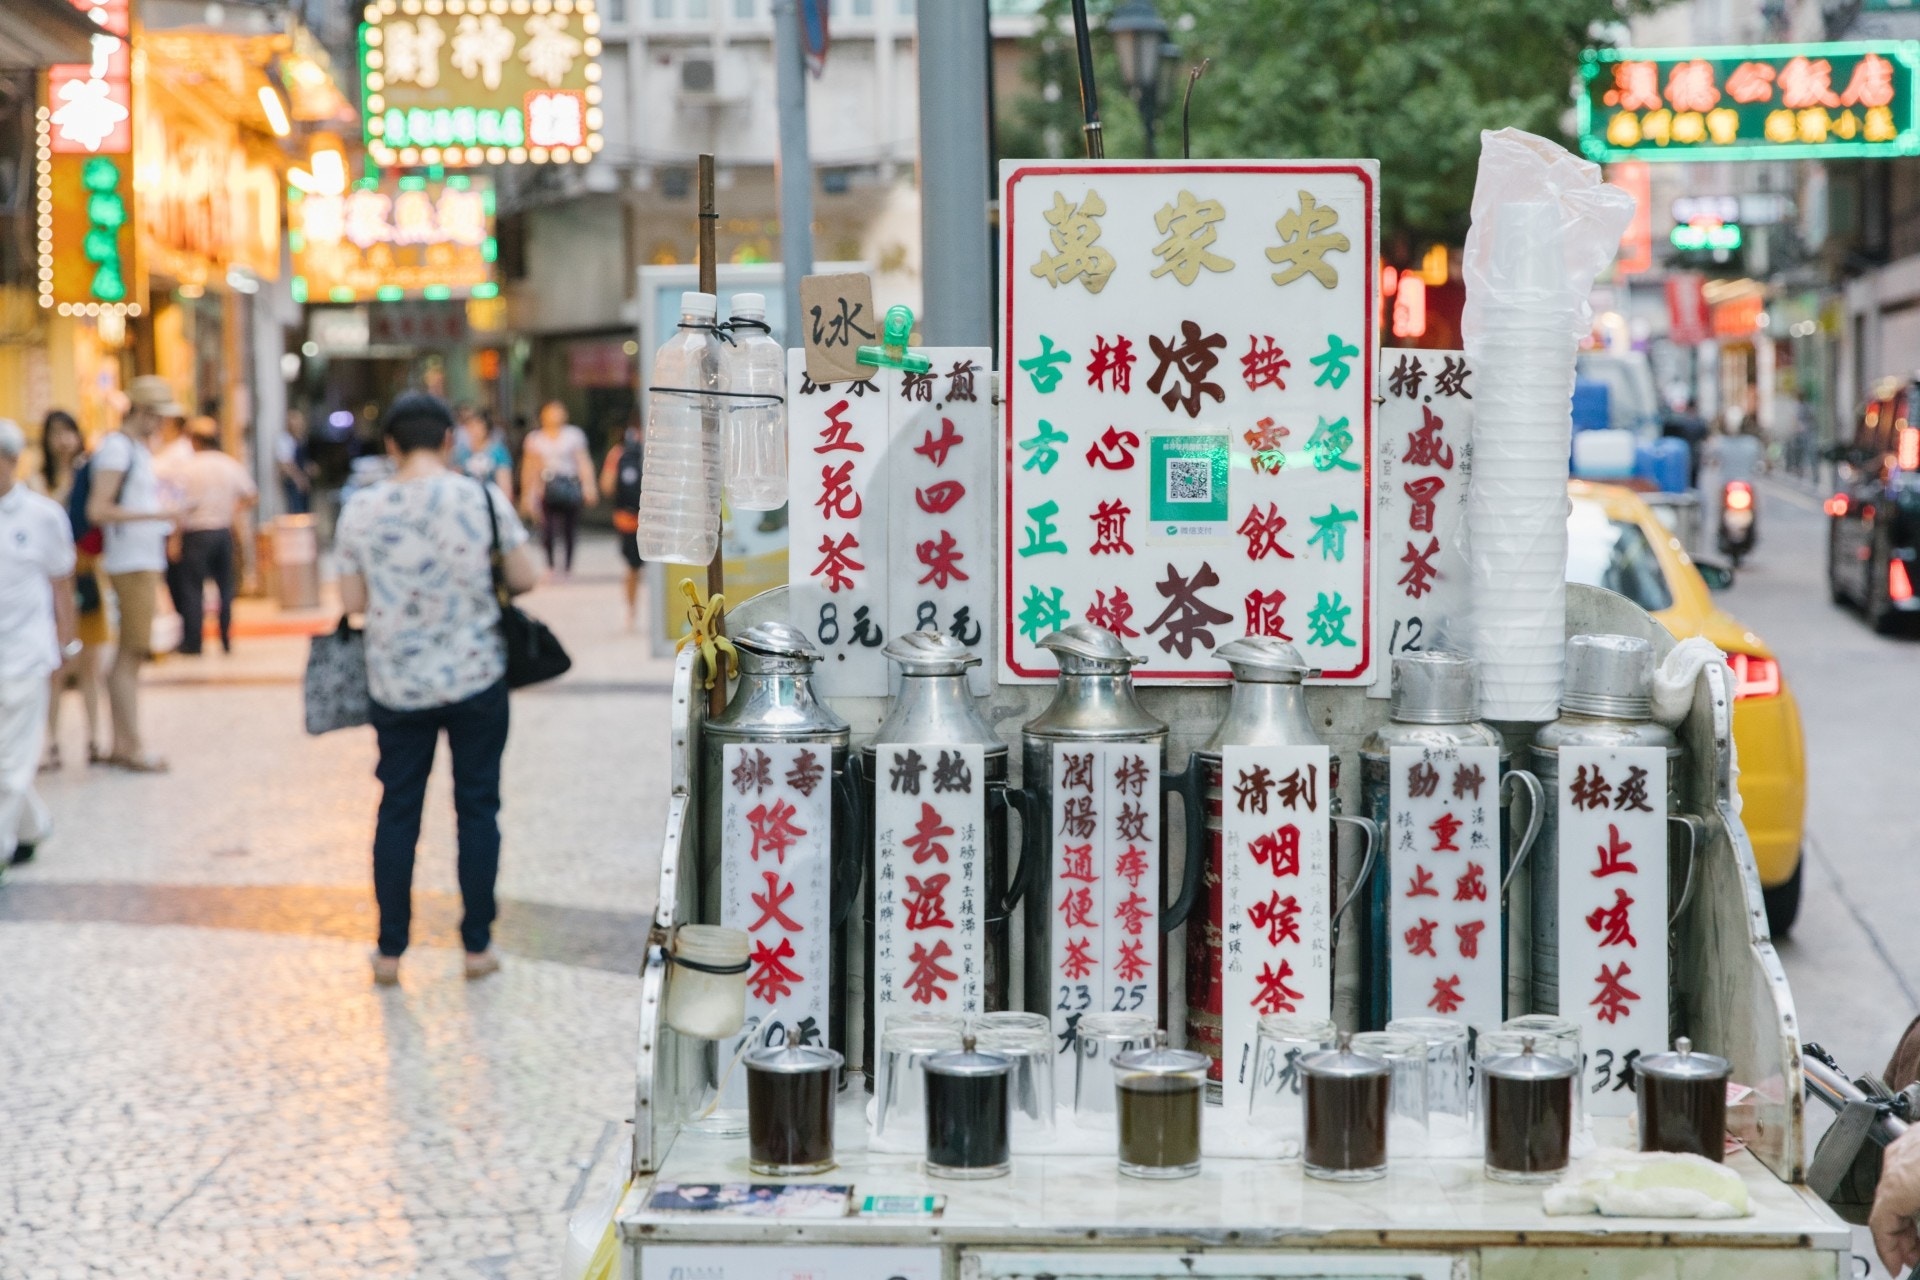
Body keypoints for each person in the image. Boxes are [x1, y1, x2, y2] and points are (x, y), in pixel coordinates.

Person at [335, 392, 538, 986]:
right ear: (450, 439)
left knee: (398, 811)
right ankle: (476, 947)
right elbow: (527, 575)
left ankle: (391, 951)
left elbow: (352, 604)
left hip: (397, 683)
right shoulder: (480, 496)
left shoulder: (361, 509)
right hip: (477, 676)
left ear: (391, 445)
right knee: (477, 807)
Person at [87, 376, 180, 773]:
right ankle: (132, 745)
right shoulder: (116, 449)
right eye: (157, 416)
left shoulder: (133, 449)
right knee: (130, 654)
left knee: (130, 655)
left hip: (140, 559)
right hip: (130, 561)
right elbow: (98, 509)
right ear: (142, 412)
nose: (161, 424)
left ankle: (124, 742)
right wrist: (157, 515)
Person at [0, 420, 77, 872]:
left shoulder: (42, 516)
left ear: (10, 461)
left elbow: (61, 585)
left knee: (11, 760)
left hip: (27, 653)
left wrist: (65, 647)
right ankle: (32, 826)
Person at [33, 410, 107, 768]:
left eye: (69, 432)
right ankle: (52, 742)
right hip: (50, 581)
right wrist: (66, 480)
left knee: (90, 663)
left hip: (85, 572)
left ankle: (95, 738)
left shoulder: (91, 474)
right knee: (54, 667)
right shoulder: (37, 480)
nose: (63, 440)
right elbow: (47, 515)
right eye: (56, 433)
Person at [174, 420, 257, 656]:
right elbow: (251, 495)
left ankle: (194, 641)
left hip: (196, 533)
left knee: (192, 589)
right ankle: (225, 637)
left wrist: (175, 538)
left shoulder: (188, 468)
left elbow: (179, 507)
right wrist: (233, 510)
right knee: (225, 588)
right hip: (222, 531)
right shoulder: (229, 464)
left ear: (195, 441)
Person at [518, 399, 597, 579]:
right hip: (546, 486)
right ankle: (551, 565)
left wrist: (589, 486)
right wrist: (527, 494)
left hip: (569, 484)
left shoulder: (573, 435)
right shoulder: (535, 438)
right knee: (547, 528)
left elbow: (583, 462)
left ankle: (568, 566)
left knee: (570, 527)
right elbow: (530, 468)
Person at [599, 416, 644, 629]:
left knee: (632, 567)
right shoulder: (657, 448)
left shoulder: (618, 453)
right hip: (654, 519)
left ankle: (631, 611)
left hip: (628, 519)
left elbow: (606, 485)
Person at [452, 404, 514, 492]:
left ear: (486, 428)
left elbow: (505, 482)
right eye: (471, 426)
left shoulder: (498, 452)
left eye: (478, 426)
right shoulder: (462, 453)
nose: (474, 431)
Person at [277, 409, 313, 515]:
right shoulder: (285, 440)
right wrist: (298, 479)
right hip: (293, 481)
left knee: (305, 511)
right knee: (297, 512)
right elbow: (286, 463)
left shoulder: (300, 439)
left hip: (302, 479)